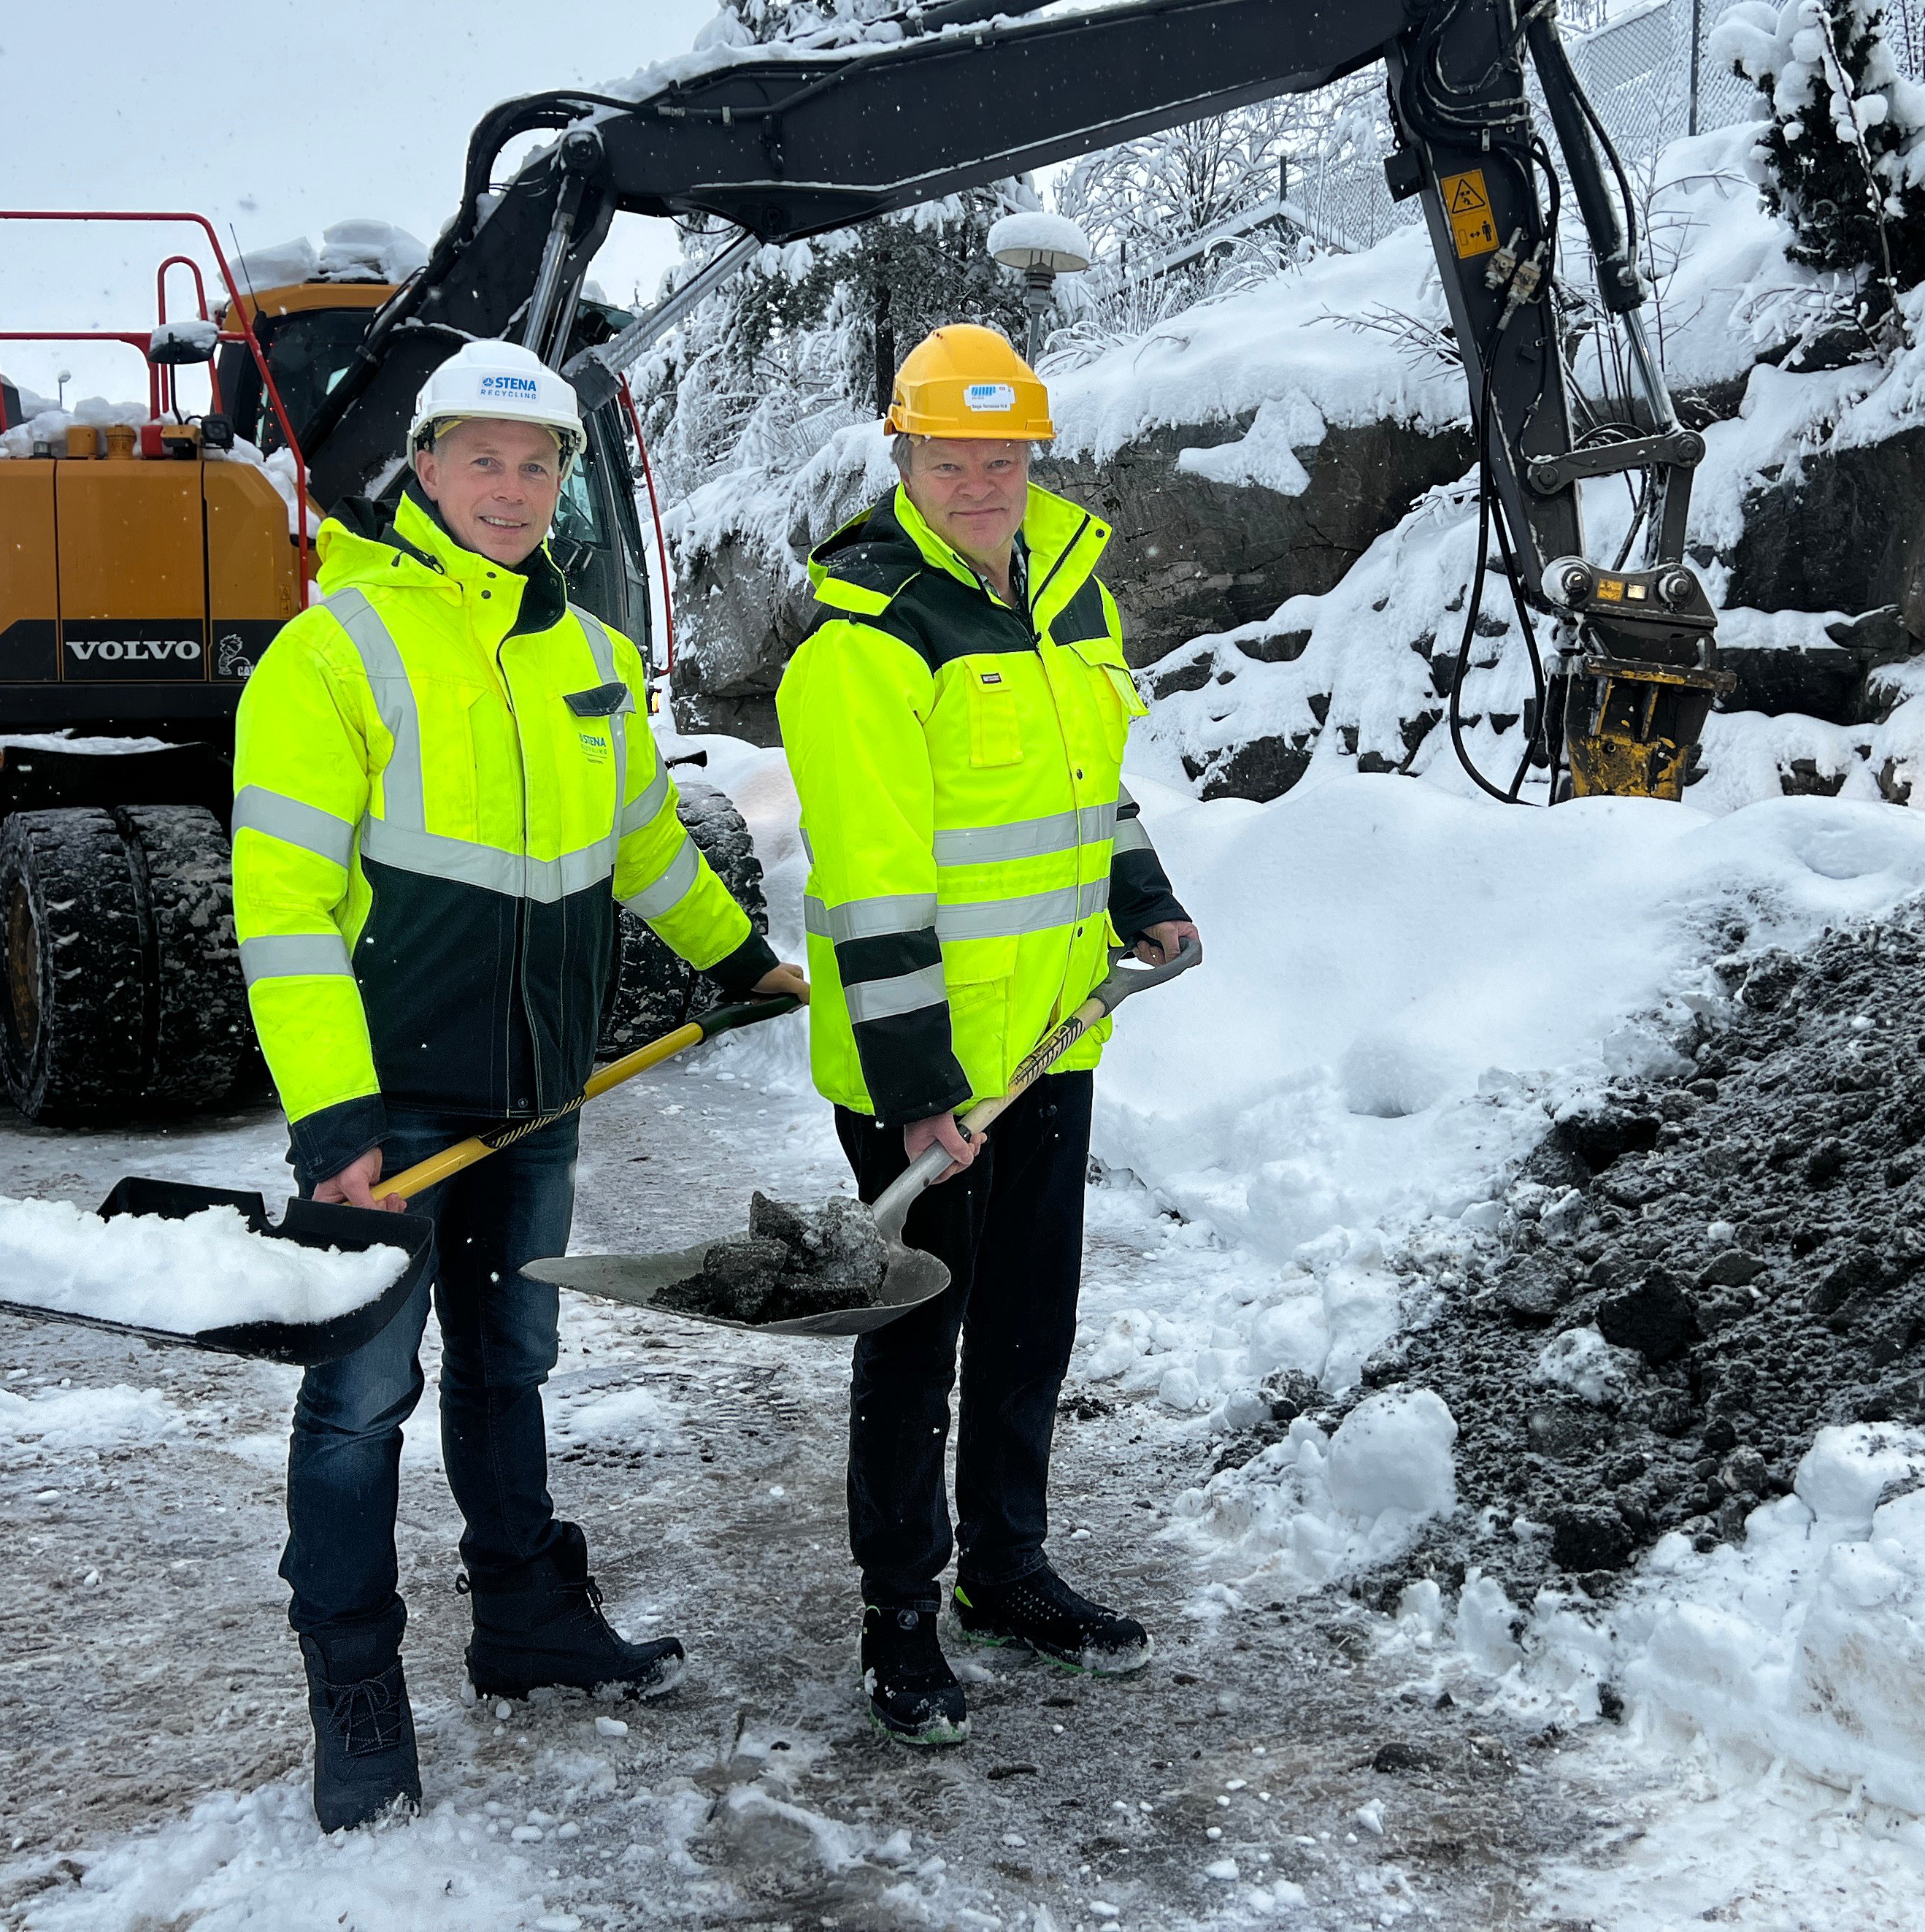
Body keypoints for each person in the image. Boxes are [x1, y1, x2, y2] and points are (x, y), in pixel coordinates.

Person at [231, 337, 806, 1829]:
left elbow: (642, 850)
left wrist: (735, 959)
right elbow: (283, 905)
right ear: (423, 469)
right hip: (392, 1106)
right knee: (358, 1403)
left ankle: (526, 1621)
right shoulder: (335, 649)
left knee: (512, 1366)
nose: (509, 486)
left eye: (535, 462)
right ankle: (355, 1688)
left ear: (564, 484)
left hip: (540, 1093)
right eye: (479, 457)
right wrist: (334, 1116)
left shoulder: (595, 658)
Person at [777, 323, 1199, 1747]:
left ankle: (1004, 1573)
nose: (979, 482)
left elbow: (1094, 791)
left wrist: (1143, 898)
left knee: (1029, 1327)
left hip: (1055, 1042)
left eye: (1001, 456)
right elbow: (874, 890)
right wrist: (915, 1095)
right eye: (950, 458)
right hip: (928, 1066)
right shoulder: (866, 646)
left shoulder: (1072, 594)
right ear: (903, 459)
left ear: (1032, 455)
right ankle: (901, 1616)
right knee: (915, 1342)